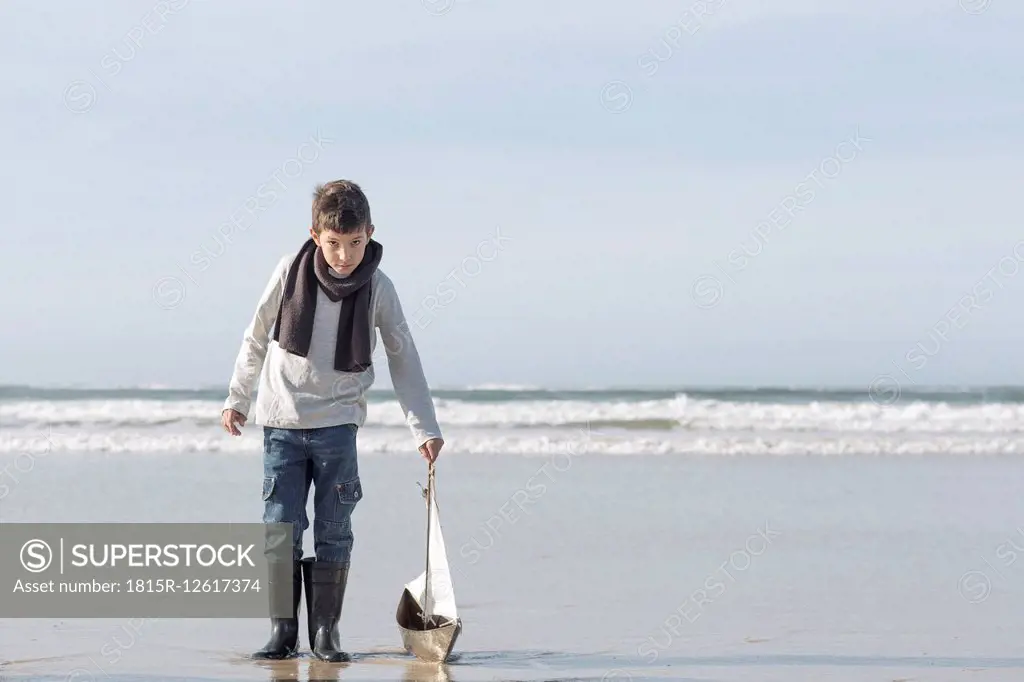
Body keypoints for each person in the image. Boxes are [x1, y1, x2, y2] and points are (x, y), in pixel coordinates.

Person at [220, 179, 444, 662]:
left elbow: (404, 358)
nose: (344, 256)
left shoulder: (379, 288)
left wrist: (424, 427)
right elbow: (256, 337)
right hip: (281, 419)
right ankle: (283, 634)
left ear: (370, 233)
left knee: (334, 527)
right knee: (280, 525)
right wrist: (237, 398)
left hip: (339, 424)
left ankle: (326, 633)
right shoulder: (287, 272)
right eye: (334, 244)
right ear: (315, 235)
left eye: (355, 243)